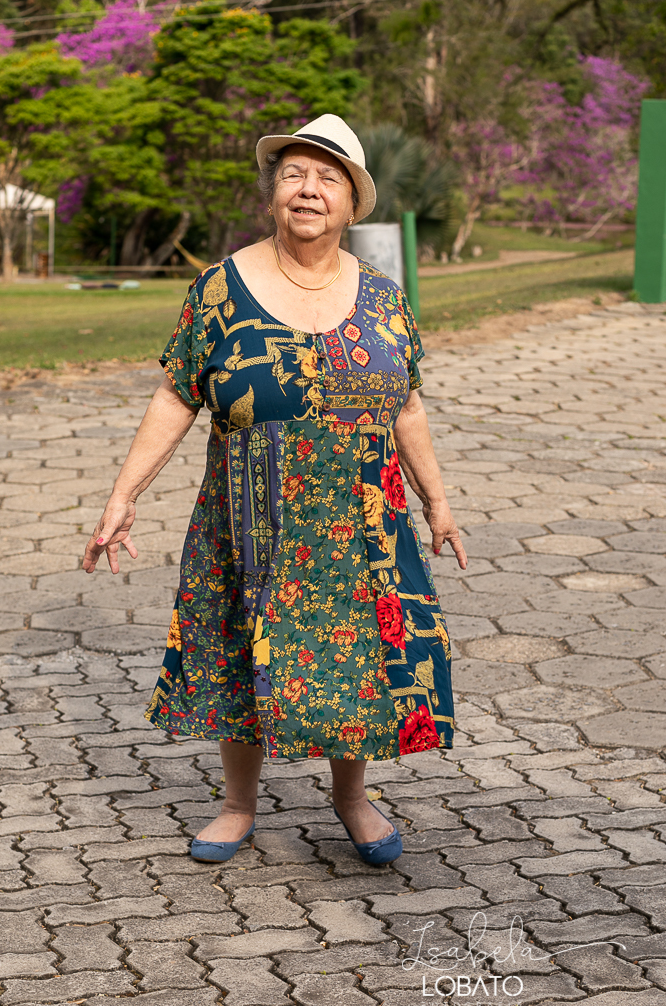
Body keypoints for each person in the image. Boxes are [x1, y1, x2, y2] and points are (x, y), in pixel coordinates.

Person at [83, 114, 467, 866]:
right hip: (249, 515)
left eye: (328, 178)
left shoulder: (385, 299)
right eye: (294, 174)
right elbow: (175, 396)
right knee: (236, 649)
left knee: (354, 659)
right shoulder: (220, 289)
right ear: (273, 195)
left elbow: (409, 404)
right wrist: (123, 493)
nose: (309, 189)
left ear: (353, 203)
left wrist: (437, 501)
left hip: (361, 521)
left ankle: (352, 799)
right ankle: (237, 805)